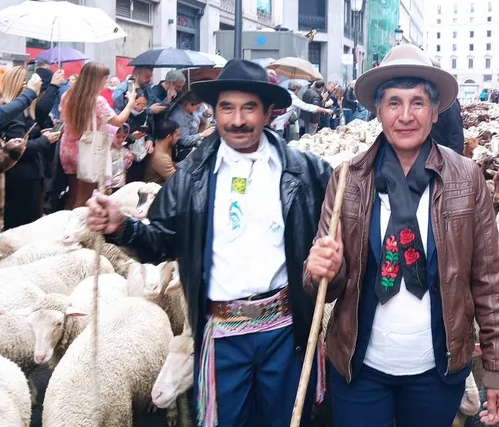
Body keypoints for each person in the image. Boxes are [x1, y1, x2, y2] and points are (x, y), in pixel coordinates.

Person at [85, 59, 333, 427]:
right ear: (214, 112)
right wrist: (122, 228)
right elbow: (161, 240)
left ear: (268, 113)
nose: (237, 120)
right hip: (222, 333)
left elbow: (341, 223)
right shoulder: (192, 176)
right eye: (226, 108)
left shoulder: (306, 171)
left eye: (249, 108)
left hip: (284, 330)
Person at [304, 44, 499, 426]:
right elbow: (324, 283)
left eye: (418, 102)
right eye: (394, 103)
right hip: (361, 370)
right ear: (378, 111)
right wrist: (322, 268)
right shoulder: (348, 179)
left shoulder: (466, 179)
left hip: (435, 372)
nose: (405, 116)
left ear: (435, 112)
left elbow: (490, 279)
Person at [60, 62, 134, 208]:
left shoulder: (67, 95)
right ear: (96, 79)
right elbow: (118, 121)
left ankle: (67, 218)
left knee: (73, 193)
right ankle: (78, 221)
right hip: (88, 150)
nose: (105, 82)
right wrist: (130, 102)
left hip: (67, 149)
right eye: (104, 78)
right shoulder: (97, 101)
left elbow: (63, 119)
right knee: (85, 197)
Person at [0, 67, 60, 228]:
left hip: (25, 176)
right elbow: (17, 149)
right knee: (23, 227)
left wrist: (39, 135)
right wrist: (44, 140)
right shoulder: (15, 113)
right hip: (22, 178)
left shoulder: (17, 111)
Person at [168, 90, 214, 162]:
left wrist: (204, 114)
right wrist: (202, 134)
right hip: (184, 150)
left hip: (195, 142)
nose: (197, 110)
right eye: (197, 108)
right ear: (189, 104)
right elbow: (184, 140)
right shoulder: (179, 117)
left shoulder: (189, 110)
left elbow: (195, 118)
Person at [124, 88, 155, 182]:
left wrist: (150, 140)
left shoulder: (146, 114)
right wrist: (131, 137)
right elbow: (117, 137)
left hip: (141, 154)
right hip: (127, 156)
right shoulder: (123, 114)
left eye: (144, 105)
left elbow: (149, 131)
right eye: (137, 104)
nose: (140, 107)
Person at [143, 120, 179, 184]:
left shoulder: (162, 145)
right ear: (169, 137)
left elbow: (170, 164)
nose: (178, 138)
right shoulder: (161, 157)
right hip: (156, 188)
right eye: (177, 135)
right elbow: (177, 181)